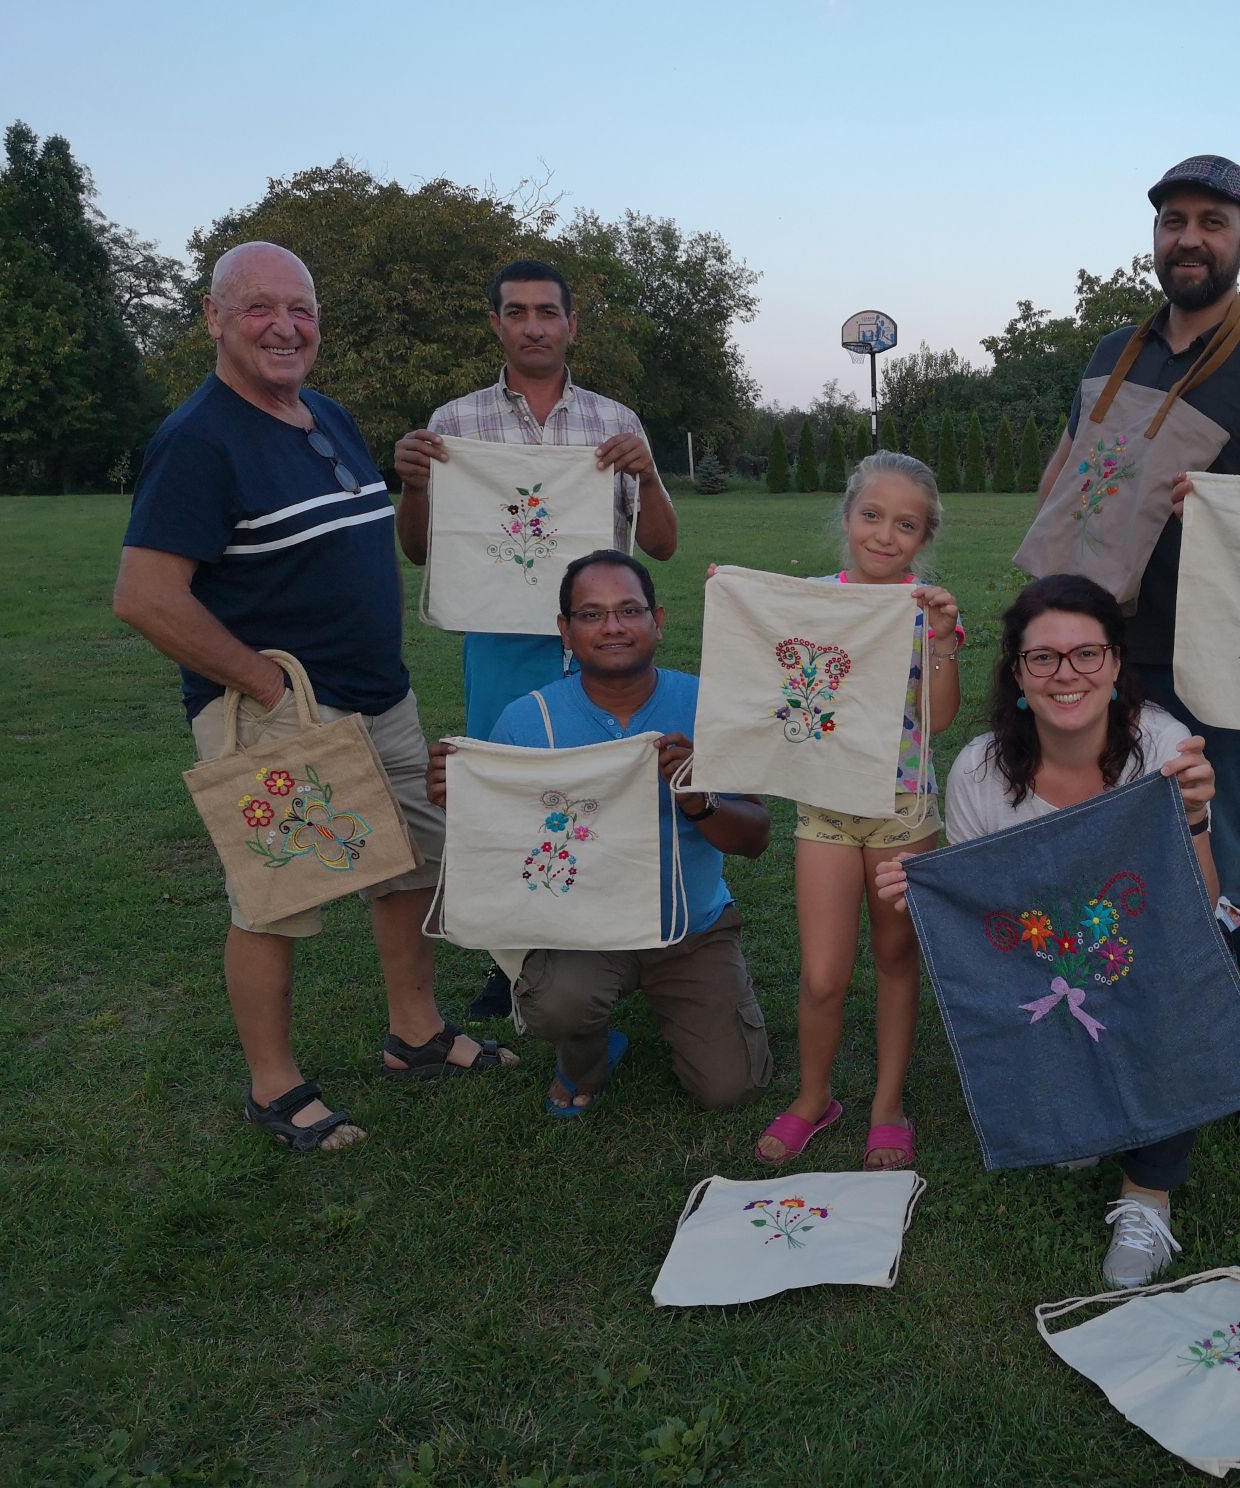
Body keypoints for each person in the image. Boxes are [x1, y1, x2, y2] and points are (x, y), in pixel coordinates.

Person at [112, 241, 515, 1154]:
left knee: (415, 860)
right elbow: (145, 596)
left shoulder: (324, 414)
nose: (285, 327)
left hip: (380, 696)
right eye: (259, 307)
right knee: (276, 898)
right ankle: (274, 1085)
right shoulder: (198, 440)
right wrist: (264, 685)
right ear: (214, 318)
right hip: (282, 711)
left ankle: (415, 1032)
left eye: (301, 309)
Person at [1036, 154, 1240, 1146]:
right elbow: (1071, 476)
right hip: (1100, 653)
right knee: (1102, 855)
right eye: (1173, 220)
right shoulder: (1112, 354)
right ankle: (1123, 1039)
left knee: (1234, 859)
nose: (1189, 238)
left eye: (1212, 222)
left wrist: (1228, 504)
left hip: (1218, 664)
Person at [875, 574, 1217, 1286]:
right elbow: (983, 921)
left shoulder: (1163, 747)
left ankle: (1147, 1194)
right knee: (1028, 992)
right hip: (1044, 957)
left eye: (1087, 654)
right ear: (1018, 673)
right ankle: (1080, 1104)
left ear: (1116, 665)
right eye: (1043, 657)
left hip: (1147, 946)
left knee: (1175, 981)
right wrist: (929, 894)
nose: (1067, 674)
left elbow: (1200, 908)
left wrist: (1192, 820)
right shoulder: (979, 770)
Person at [394, 258, 678, 1020]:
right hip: (502, 640)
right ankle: (512, 954)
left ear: (571, 324)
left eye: (547, 312)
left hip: (600, 643)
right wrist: (415, 484)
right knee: (503, 793)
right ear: (496, 324)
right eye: (516, 312)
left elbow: (662, 544)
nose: (533, 326)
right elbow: (420, 552)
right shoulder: (455, 424)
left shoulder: (615, 423)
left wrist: (649, 476)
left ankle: (611, 926)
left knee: (602, 787)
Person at [426, 549, 774, 1117]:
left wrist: (701, 801)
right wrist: (458, 798)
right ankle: (584, 1055)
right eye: (591, 614)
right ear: (565, 631)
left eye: (629, 610)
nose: (612, 626)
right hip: (579, 927)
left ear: (658, 621)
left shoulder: (707, 706)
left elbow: (756, 839)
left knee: (731, 1089)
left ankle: (694, 1001)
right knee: (558, 1004)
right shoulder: (528, 720)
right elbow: (498, 841)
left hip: (690, 924)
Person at [752, 451, 964, 1171]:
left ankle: (886, 1105)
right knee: (822, 975)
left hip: (904, 811)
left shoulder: (927, 608)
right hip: (828, 809)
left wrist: (942, 640)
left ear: (924, 537)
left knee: (896, 958)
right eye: (872, 515)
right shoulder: (810, 600)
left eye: (906, 525)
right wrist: (739, 599)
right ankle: (814, 1098)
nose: (884, 535)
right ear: (846, 518)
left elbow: (941, 717)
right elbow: (764, 663)